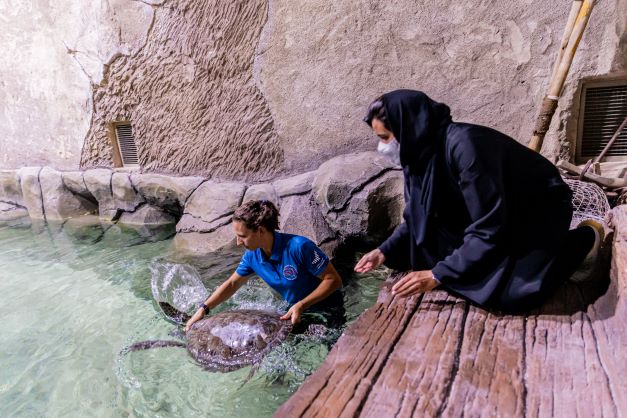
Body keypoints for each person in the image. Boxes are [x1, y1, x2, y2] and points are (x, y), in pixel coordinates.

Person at [354, 89, 603, 313]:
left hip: (534, 211)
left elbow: (489, 226)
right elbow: (417, 217)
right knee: (419, 252)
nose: (382, 146)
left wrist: (438, 274)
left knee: (514, 295)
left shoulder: (466, 147)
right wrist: (383, 251)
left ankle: (584, 240)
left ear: (408, 128)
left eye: (386, 137)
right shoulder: (418, 156)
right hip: (494, 211)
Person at [185, 199, 344, 331]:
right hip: (293, 313)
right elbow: (232, 283)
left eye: (242, 236)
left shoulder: (299, 247)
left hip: (327, 311)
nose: (238, 242)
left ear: (260, 231)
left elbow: (334, 280)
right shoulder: (252, 256)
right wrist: (203, 309)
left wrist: (301, 305)